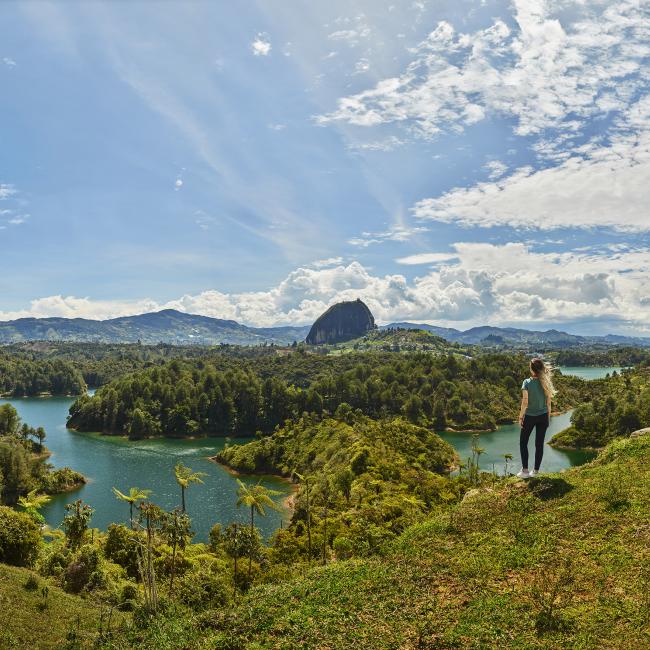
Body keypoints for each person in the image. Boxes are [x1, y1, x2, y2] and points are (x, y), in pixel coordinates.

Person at [516, 358, 556, 479]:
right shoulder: (545, 382)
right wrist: (548, 417)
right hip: (543, 416)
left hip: (529, 417)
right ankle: (536, 471)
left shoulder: (527, 382)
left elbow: (525, 402)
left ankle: (525, 471)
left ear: (531, 369)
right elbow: (549, 402)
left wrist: (520, 416)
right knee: (539, 444)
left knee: (523, 442)